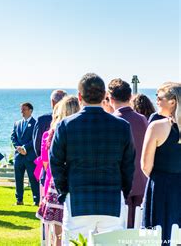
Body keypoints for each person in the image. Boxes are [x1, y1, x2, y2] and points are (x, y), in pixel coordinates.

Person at [50, 73, 135, 245]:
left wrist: (65, 191)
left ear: (80, 97)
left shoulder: (65, 126)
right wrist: (123, 191)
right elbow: (128, 165)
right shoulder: (122, 126)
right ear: (105, 96)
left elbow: (56, 163)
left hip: (78, 200)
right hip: (111, 200)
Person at [37, 96, 80, 246]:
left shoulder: (53, 132)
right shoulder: (79, 131)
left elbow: (48, 161)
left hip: (56, 184)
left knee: (57, 235)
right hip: (76, 184)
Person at [141, 82, 181, 244]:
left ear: (172, 102)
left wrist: (160, 179)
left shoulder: (156, 127)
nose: (156, 101)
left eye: (159, 97)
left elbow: (145, 166)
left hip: (160, 188)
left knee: (157, 238)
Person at [108, 78, 148, 228]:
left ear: (110, 99)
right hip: (141, 182)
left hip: (120, 184)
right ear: (130, 97)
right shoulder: (143, 119)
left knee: (121, 232)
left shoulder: (112, 121)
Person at [11, 102, 39, 206]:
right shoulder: (17, 123)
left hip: (30, 156)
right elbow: (13, 137)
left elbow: (35, 139)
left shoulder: (36, 123)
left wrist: (24, 147)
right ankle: (19, 200)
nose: (22, 111)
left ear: (30, 110)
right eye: (21, 109)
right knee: (18, 178)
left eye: (24, 109)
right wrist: (18, 147)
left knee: (33, 179)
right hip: (18, 156)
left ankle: (36, 200)